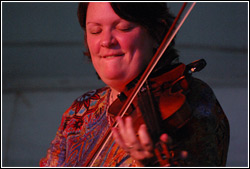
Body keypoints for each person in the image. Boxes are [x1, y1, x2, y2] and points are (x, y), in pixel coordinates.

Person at [40, 2, 230, 167]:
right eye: (95, 31)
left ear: (157, 34)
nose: (106, 41)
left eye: (123, 27)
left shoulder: (193, 98)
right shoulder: (81, 110)